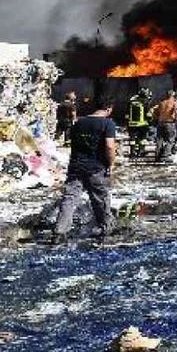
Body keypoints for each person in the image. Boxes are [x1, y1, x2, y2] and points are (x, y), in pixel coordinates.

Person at [53, 99, 117, 243]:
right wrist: (111, 163)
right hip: (96, 168)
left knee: (69, 199)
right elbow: (109, 146)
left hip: (76, 167)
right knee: (100, 199)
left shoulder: (79, 123)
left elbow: (73, 143)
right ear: (108, 108)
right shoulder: (108, 123)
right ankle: (106, 227)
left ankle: (59, 231)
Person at [152, 90, 177, 162]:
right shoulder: (173, 103)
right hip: (169, 122)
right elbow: (176, 112)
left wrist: (158, 118)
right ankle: (165, 155)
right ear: (173, 95)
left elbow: (155, 112)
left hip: (160, 122)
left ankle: (157, 156)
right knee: (170, 140)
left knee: (159, 140)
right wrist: (176, 119)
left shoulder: (161, 103)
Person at [125, 89, 151, 158]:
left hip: (132, 124)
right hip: (142, 124)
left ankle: (132, 152)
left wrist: (127, 122)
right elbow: (148, 114)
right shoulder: (145, 102)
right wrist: (150, 120)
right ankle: (141, 151)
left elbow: (127, 114)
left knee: (132, 138)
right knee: (142, 138)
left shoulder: (131, 102)